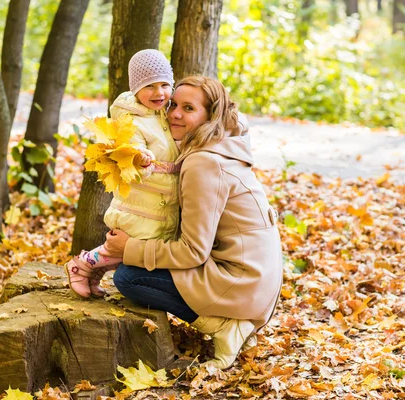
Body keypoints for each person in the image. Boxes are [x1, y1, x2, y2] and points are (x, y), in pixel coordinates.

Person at [77, 76, 283, 370]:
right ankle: (235, 321)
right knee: (136, 268)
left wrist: (130, 248)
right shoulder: (223, 143)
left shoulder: (203, 163)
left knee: (128, 277)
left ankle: (226, 327)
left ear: (210, 116)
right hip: (255, 278)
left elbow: (193, 252)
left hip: (242, 282)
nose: (174, 113)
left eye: (188, 108)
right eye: (174, 104)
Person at [65, 49, 181, 297]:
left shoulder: (164, 113)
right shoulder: (133, 119)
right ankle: (81, 265)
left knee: (134, 252)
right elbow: (129, 145)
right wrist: (140, 157)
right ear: (136, 89)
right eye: (149, 86)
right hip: (141, 202)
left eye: (164, 85)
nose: (158, 92)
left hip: (160, 203)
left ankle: (93, 273)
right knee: (120, 249)